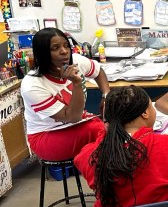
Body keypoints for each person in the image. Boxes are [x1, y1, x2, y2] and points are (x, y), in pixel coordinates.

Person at [21, 28, 110, 162]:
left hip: (79, 123)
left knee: (115, 124)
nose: (64, 51)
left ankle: (108, 173)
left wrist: (106, 95)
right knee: (99, 130)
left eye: (66, 45)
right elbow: (73, 117)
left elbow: (99, 72)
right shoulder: (32, 85)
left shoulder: (76, 61)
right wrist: (76, 83)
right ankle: (110, 176)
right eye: (55, 48)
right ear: (43, 53)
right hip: (46, 135)